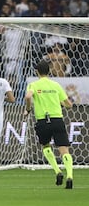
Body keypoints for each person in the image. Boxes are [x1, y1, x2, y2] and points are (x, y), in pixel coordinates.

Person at [24, 60, 74, 189]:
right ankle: (69, 176)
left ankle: (57, 171)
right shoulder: (56, 85)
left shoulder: (33, 85)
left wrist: (28, 109)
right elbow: (68, 104)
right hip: (57, 119)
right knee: (64, 150)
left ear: (37, 72)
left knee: (46, 146)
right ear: (49, 71)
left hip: (43, 121)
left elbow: (28, 97)